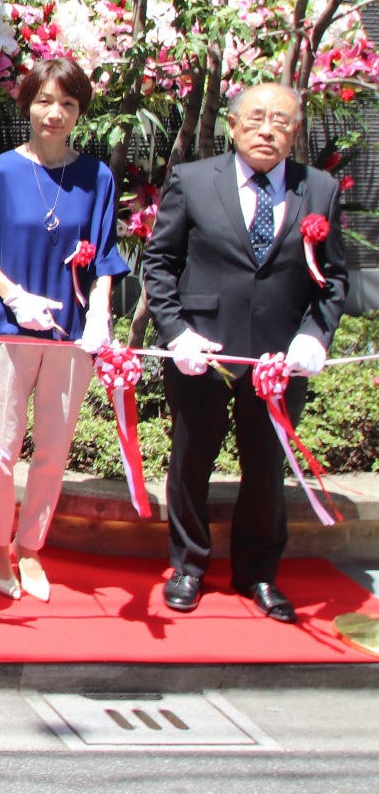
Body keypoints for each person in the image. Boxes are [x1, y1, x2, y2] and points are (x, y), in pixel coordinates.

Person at [144, 81, 347, 624]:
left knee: (266, 468)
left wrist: (314, 337)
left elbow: (332, 280)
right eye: (255, 118)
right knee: (191, 461)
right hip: (202, 350)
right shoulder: (192, 180)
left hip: (278, 360)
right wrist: (176, 332)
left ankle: (259, 573)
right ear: (232, 125)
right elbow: (160, 263)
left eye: (280, 121)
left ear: (294, 132)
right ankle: (188, 566)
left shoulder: (319, 189)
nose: (266, 130)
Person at [0, 58, 130, 601]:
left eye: (68, 104)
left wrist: (101, 312)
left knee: (54, 446)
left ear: (80, 112)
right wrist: (11, 294)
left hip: (71, 333)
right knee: (1, 442)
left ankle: (31, 547)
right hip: (10, 327)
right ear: (27, 104)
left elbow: (104, 254)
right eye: (45, 101)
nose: (54, 114)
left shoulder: (96, 176)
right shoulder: (2, 172)